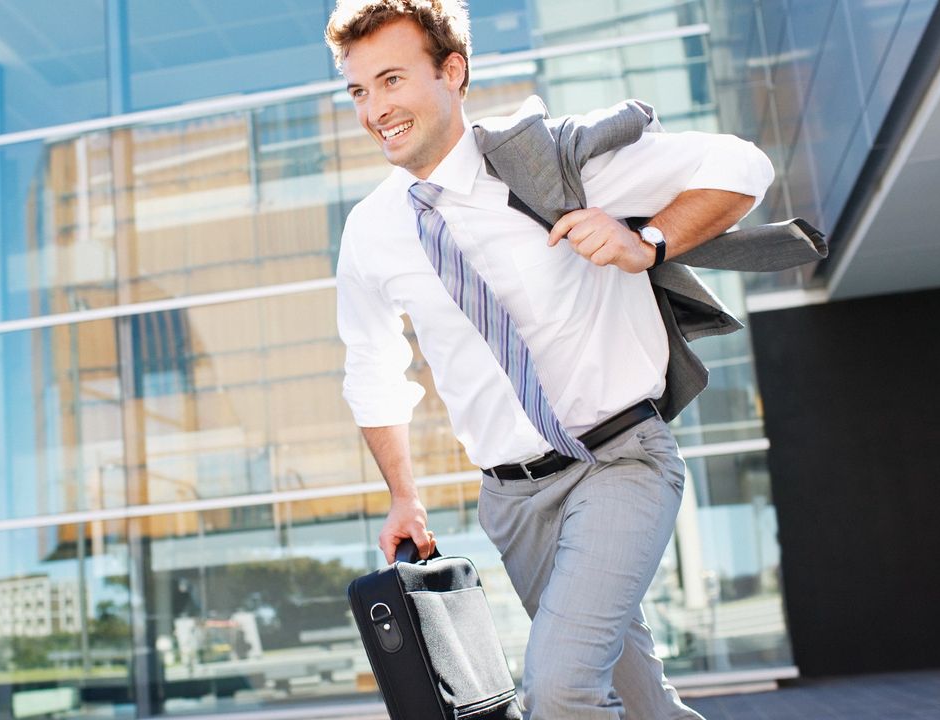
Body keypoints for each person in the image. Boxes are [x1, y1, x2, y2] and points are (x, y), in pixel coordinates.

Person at [323, 1, 810, 718]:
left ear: (451, 71)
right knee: (643, 705)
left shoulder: (549, 161)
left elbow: (743, 166)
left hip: (619, 462)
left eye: (392, 80)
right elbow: (371, 368)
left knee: (559, 691)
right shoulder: (372, 229)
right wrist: (404, 494)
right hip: (512, 503)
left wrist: (650, 242)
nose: (375, 109)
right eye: (359, 91)